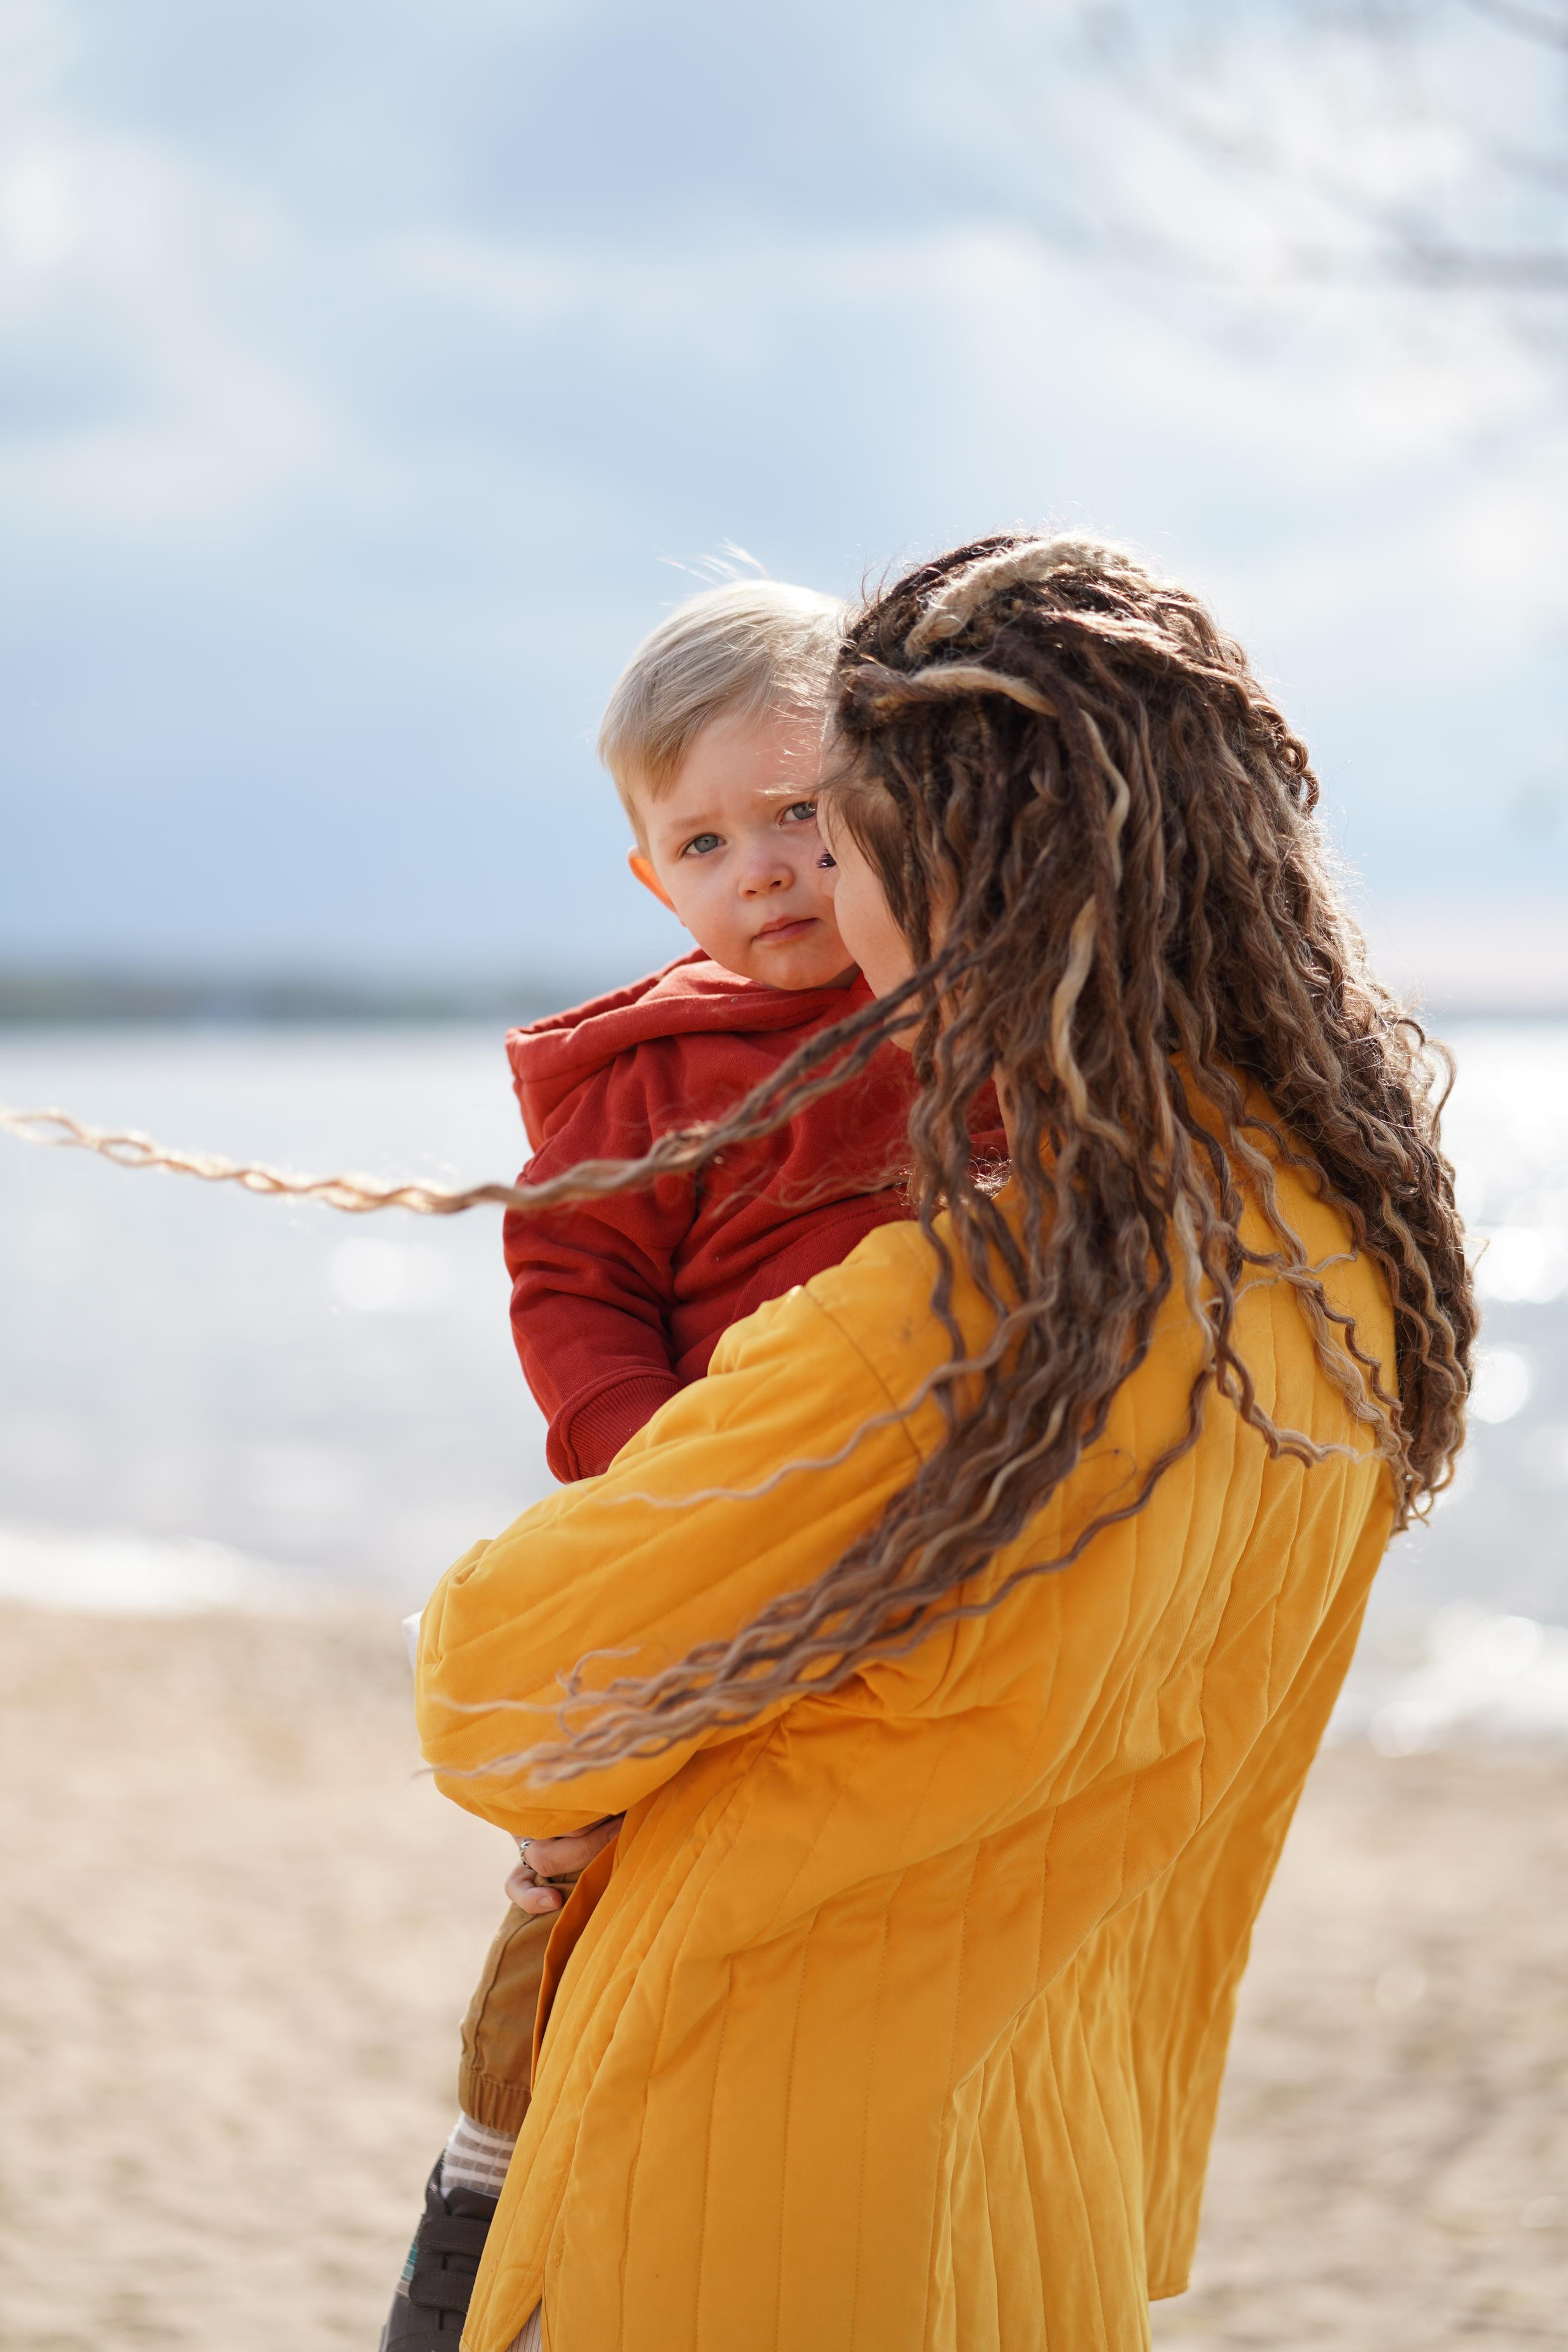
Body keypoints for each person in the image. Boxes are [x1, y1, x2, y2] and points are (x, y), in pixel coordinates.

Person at [415, 532, 1474, 2352]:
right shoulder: (1341, 1270)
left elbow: (502, 1688)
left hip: (747, 2180)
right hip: (1028, 2177)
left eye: (850, 837)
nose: (813, 891)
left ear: (959, 873)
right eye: (725, 845)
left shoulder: (980, 1302)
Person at [384, 580, 1002, 2350]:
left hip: (907, 1547)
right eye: (710, 841)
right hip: (689, 1523)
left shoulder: (953, 1018)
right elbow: (573, 1298)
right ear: (655, 882)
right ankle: (489, 2191)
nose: (771, 871)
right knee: (584, 1863)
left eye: (807, 816)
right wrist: (655, 1475)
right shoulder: (636, 1079)